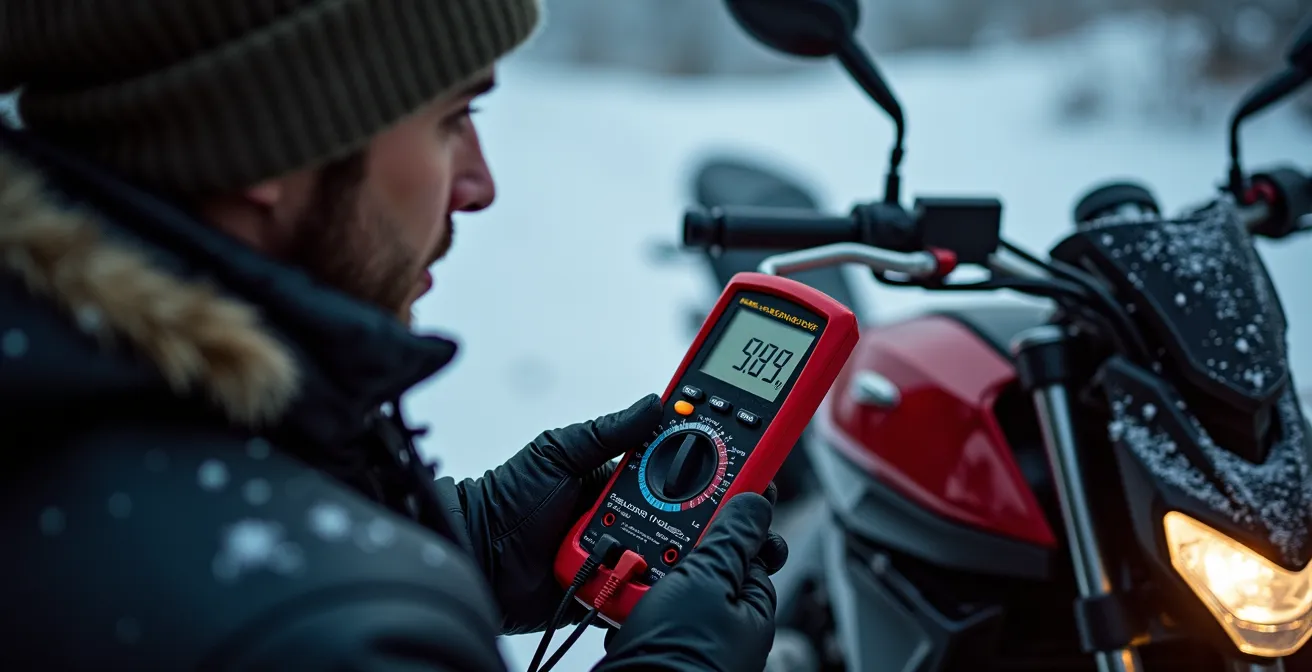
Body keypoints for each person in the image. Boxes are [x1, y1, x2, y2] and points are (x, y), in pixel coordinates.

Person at [0, 0, 788, 670]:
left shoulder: (60, 392)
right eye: (452, 120)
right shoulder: (325, 633)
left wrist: (466, 544)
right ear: (273, 141)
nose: (479, 185)